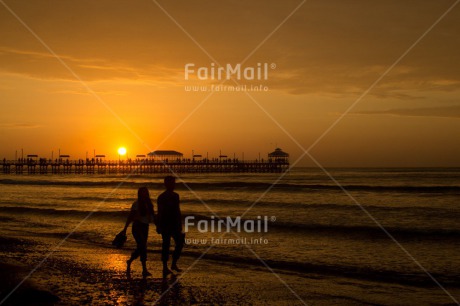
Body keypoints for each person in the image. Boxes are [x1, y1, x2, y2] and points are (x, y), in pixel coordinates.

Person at [122, 187, 156, 278]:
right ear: (139, 194)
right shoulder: (136, 204)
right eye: (142, 192)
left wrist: (158, 226)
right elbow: (130, 216)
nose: (144, 194)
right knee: (142, 246)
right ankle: (144, 269)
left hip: (145, 227)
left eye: (145, 192)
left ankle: (130, 260)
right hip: (137, 226)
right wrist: (125, 228)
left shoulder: (149, 204)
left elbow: (152, 216)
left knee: (141, 247)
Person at [157, 176, 184, 276]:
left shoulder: (176, 195)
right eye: (171, 183)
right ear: (166, 184)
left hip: (175, 223)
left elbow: (178, 210)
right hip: (165, 223)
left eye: (174, 183)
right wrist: (159, 225)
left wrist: (180, 223)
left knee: (180, 242)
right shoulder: (162, 197)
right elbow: (160, 212)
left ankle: (173, 263)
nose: (173, 185)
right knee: (166, 245)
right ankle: (165, 267)